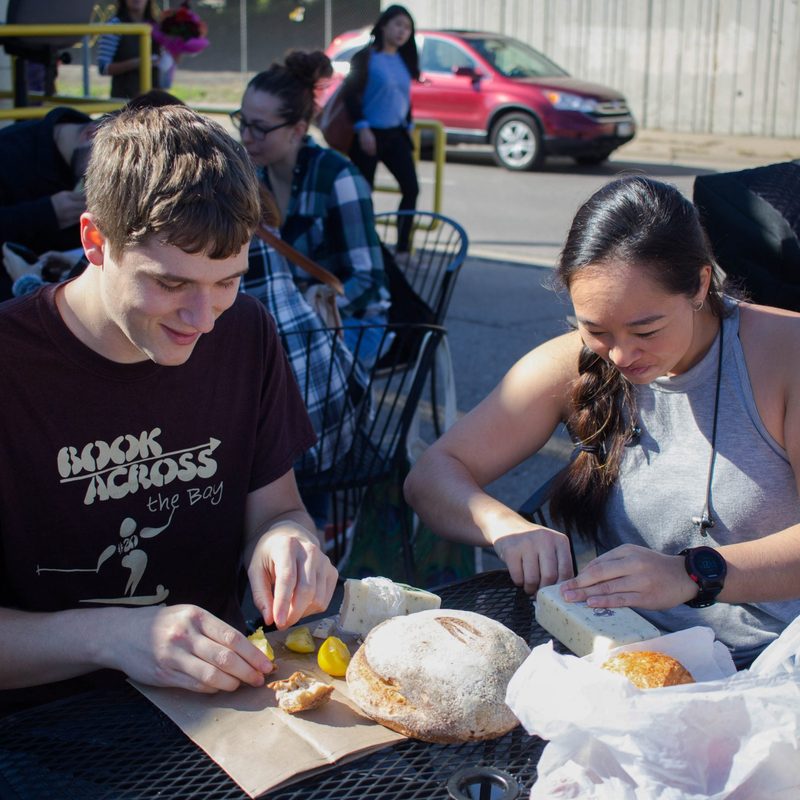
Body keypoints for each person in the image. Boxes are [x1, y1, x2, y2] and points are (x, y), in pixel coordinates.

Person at [0, 105, 338, 716]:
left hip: (226, 701)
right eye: (172, 284)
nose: (203, 319)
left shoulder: (247, 332)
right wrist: (114, 635)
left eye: (228, 281)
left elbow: (279, 506)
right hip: (44, 725)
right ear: (95, 241)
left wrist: (287, 539)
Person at [405, 176, 800, 668]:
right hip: (625, 657)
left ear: (700, 285)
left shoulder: (785, 353)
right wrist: (503, 526)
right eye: (595, 329)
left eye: (646, 329)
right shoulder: (574, 364)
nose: (621, 354)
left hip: (771, 664)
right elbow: (432, 474)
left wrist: (694, 573)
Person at [233, 50, 389, 363]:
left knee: (268, 375)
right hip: (285, 318)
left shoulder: (338, 178)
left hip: (353, 319)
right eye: (242, 122)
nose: (246, 137)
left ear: (298, 130)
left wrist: (302, 306)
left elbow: (367, 282)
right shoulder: (250, 173)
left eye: (260, 128)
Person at [342, 4, 420, 255]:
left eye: (407, 27)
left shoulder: (405, 58)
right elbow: (350, 94)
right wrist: (363, 128)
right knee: (364, 194)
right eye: (398, 24)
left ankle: (403, 248)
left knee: (411, 188)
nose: (402, 31)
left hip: (396, 134)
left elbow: (402, 95)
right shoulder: (365, 57)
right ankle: (366, 247)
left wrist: (408, 123)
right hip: (368, 134)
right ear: (384, 25)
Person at [0, 106, 94, 301]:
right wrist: (47, 213)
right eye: (104, 160)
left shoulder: (86, 162)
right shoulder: (9, 150)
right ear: (91, 134)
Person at [96, 0, 160, 99]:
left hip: (155, 102)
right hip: (125, 103)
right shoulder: (114, 24)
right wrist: (139, 62)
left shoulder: (157, 26)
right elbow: (104, 68)